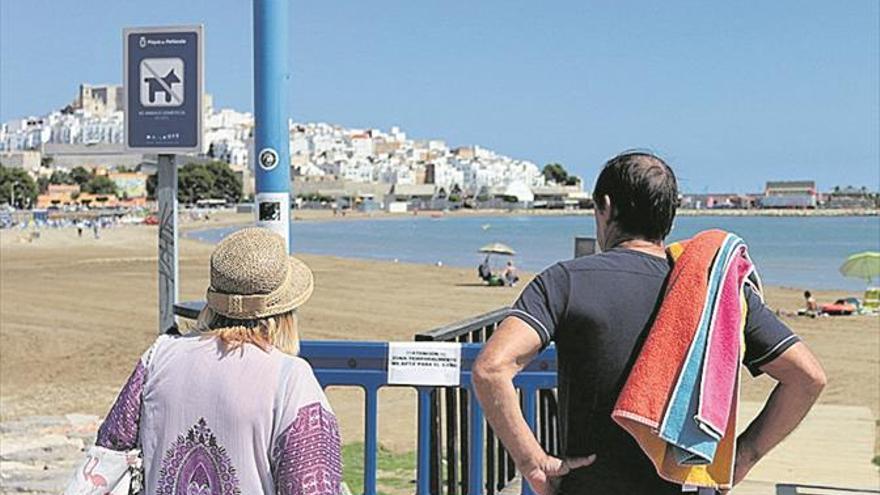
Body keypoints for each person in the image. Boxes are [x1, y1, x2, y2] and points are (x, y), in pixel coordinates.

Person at [473, 151, 826, 494]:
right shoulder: (712, 290)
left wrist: (533, 461)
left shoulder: (565, 280)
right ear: (669, 217)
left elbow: (491, 369)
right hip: (682, 484)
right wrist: (743, 455)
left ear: (605, 207)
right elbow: (807, 378)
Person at [66, 227, 342, 494]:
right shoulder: (290, 377)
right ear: (285, 313)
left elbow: (111, 447)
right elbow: (312, 481)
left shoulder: (159, 356)